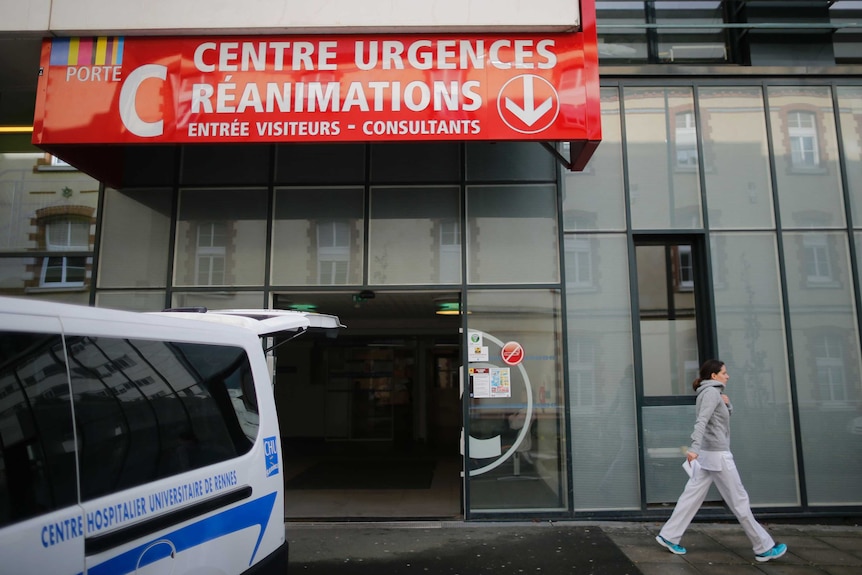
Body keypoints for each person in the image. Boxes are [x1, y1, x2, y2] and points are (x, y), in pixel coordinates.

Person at [655, 359, 788, 563]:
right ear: (714, 375)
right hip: (717, 455)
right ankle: (764, 547)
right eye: (724, 372)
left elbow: (721, 419)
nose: (728, 375)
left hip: (710, 454)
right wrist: (693, 448)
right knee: (739, 500)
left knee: (691, 497)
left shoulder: (712, 393)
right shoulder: (710, 393)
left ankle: (668, 536)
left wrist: (727, 403)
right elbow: (702, 421)